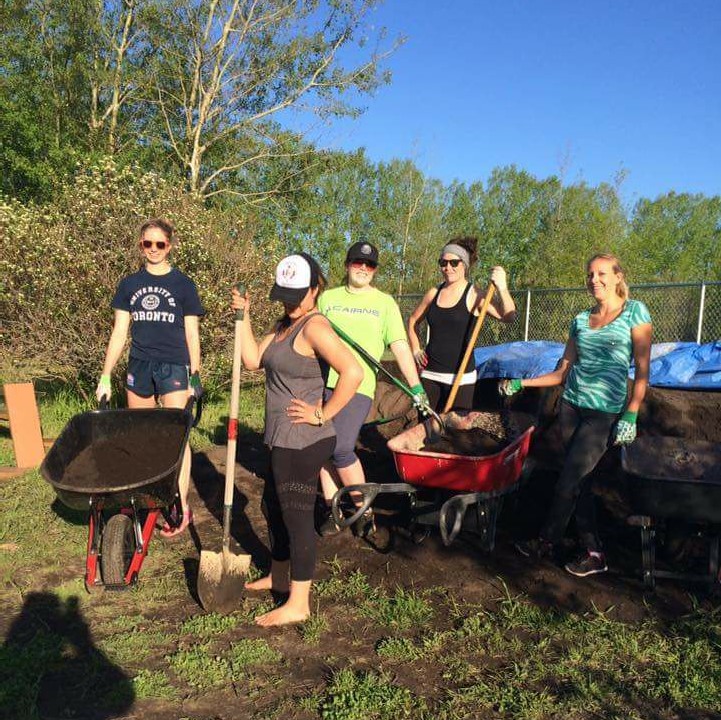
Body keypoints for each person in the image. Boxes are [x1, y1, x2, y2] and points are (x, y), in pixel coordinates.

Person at [501, 253, 652, 577]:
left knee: (568, 481)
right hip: (571, 406)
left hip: (604, 414)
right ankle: (595, 552)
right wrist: (521, 382)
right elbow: (561, 372)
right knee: (579, 482)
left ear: (617, 277)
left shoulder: (635, 312)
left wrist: (632, 412)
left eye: (601, 274)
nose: (594, 280)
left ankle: (545, 541)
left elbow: (642, 368)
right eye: (590, 275)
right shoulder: (581, 320)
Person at [232, 253, 362, 626]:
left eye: (297, 294)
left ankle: (299, 602)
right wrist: (243, 317)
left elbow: (351, 371)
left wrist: (322, 412)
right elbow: (253, 359)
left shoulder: (314, 327)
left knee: (296, 516)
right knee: (272, 508)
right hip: (281, 437)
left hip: (304, 439)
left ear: (315, 289)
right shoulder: (285, 326)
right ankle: (277, 574)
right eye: (284, 294)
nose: (290, 301)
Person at [96, 218, 204, 538]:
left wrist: (195, 375)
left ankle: (179, 504)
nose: (154, 249)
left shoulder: (184, 285)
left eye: (160, 244)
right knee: (142, 437)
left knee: (177, 437)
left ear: (170, 246)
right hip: (139, 365)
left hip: (174, 365)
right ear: (140, 245)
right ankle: (147, 499)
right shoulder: (129, 284)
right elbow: (119, 334)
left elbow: (192, 333)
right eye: (148, 243)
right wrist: (105, 375)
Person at [316, 241, 429, 537]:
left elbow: (400, 347)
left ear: (375, 270)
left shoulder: (384, 303)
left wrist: (416, 385)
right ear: (347, 264)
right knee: (320, 449)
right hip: (323, 383)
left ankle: (363, 510)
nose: (363, 268)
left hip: (359, 386)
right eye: (357, 262)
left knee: (341, 448)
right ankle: (333, 508)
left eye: (369, 265)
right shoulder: (327, 299)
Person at [407, 237, 517, 412]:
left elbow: (508, 317)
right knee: (426, 430)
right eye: (443, 262)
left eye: (454, 263)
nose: (448, 267)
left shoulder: (474, 295)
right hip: (430, 375)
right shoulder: (433, 293)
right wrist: (415, 349)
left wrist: (502, 287)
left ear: (464, 265)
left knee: (454, 434)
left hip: (461, 378)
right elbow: (412, 321)